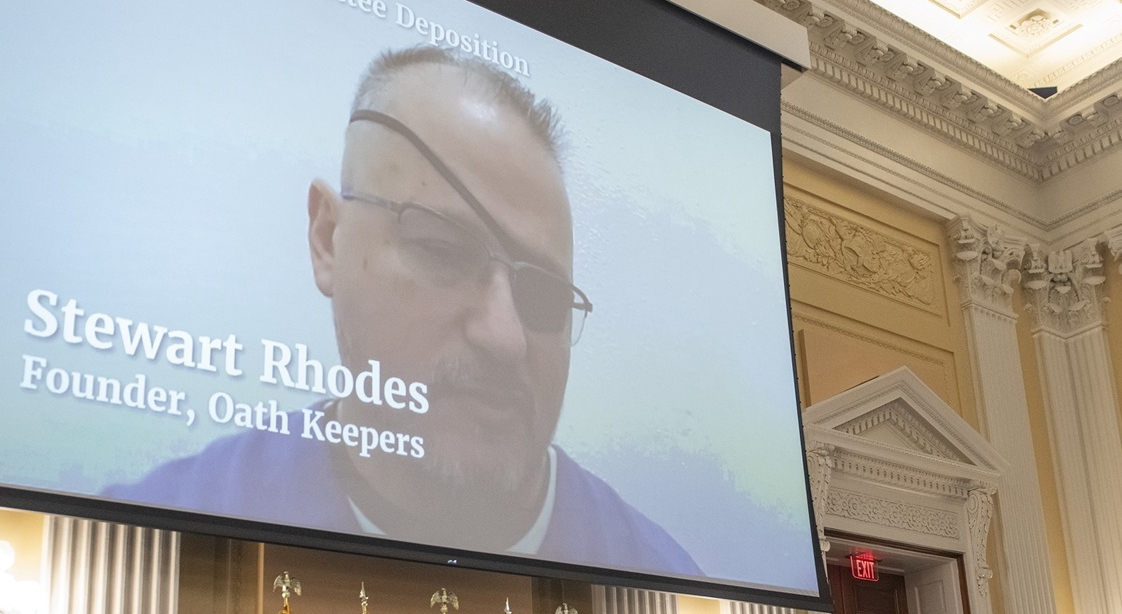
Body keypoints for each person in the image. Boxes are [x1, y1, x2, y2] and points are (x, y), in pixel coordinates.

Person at [112, 46, 697, 576]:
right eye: (441, 249)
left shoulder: (663, 577)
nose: (504, 336)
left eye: (542, 295)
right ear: (327, 240)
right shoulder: (153, 535)